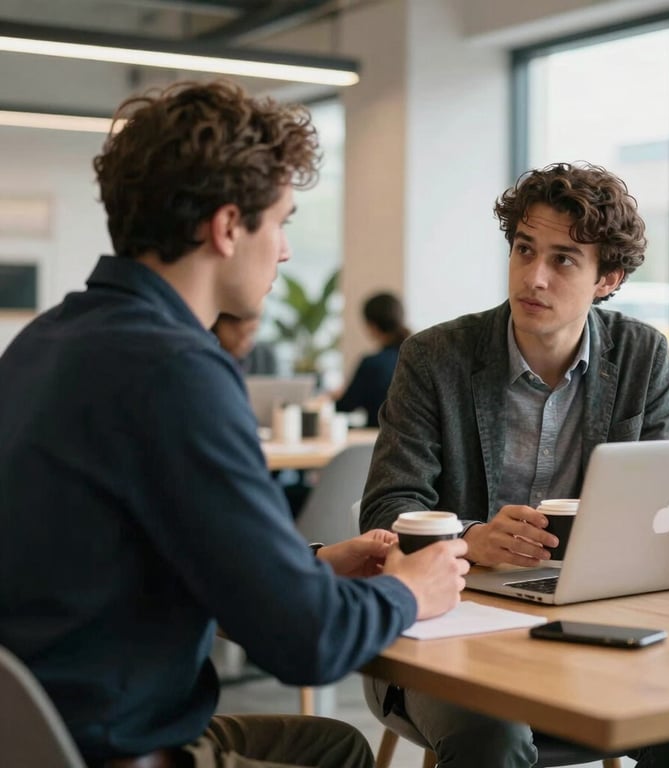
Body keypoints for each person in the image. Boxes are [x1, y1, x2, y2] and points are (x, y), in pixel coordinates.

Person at [0, 80, 469, 768]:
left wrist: (309, 568)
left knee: (331, 743)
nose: (282, 251)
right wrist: (410, 591)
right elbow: (306, 646)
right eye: (279, 222)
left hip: (34, 729)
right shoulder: (176, 371)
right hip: (116, 746)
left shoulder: (45, 341)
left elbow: (137, 561)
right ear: (226, 228)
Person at [359, 162, 669, 768]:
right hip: (448, 628)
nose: (532, 276)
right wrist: (470, 539)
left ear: (607, 278)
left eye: (563, 259)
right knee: (496, 738)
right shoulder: (436, 358)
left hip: (592, 627)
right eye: (524, 249)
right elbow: (386, 510)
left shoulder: (641, 355)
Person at [332, 292, 410, 427]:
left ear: (372, 326)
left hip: (378, 440)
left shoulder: (372, 364)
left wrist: (333, 397)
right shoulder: (417, 359)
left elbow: (346, 405)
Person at [212, 306, 278, 375]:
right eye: (236, 332)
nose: (243, 343)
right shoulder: (207, 357)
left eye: (250, 333)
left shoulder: (264, 357)